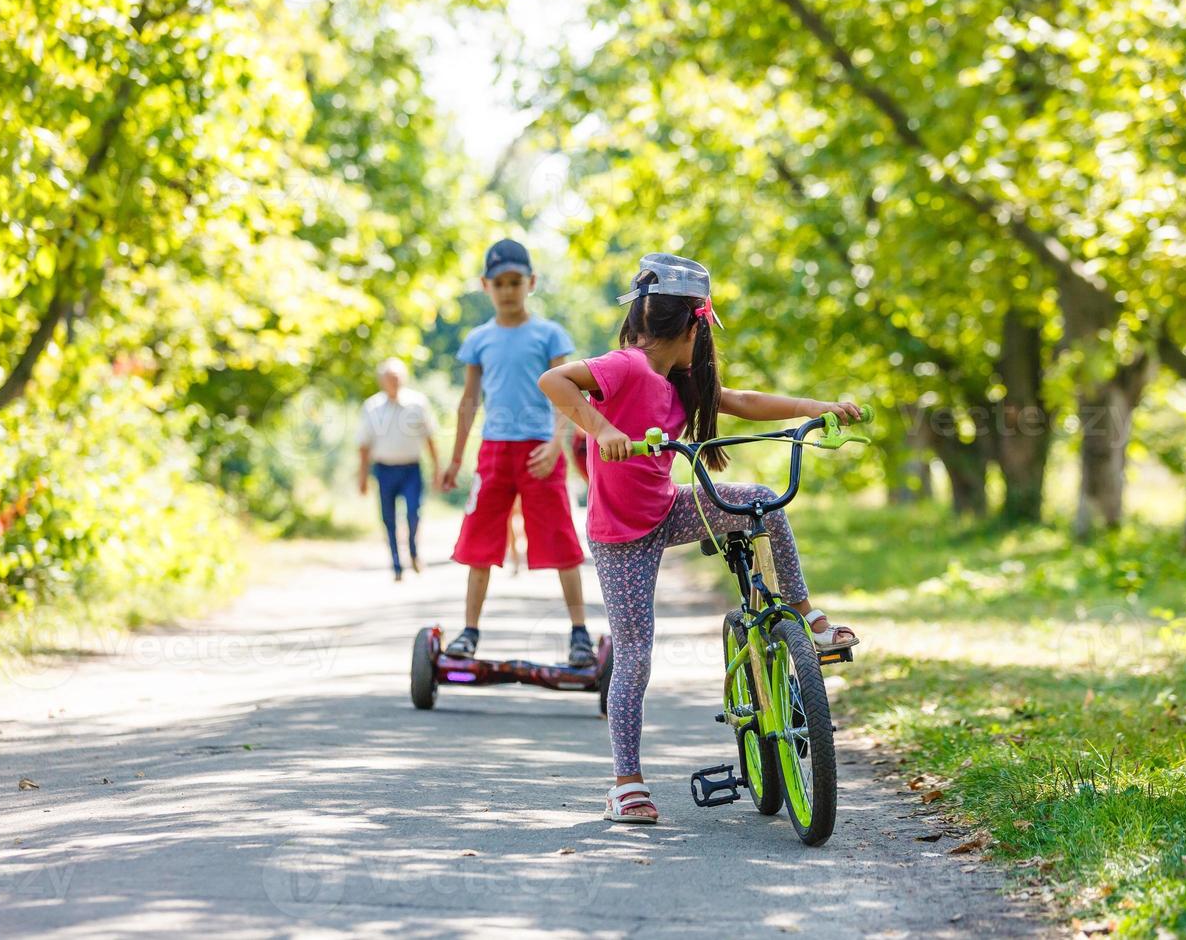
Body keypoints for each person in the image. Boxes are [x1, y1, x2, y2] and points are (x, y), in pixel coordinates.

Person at [538, 252, 861, 825]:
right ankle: (626, 782)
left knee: (760, 499)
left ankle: (804, 615)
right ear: (693, 324)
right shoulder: (626, 367)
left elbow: (741, 402)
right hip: (620, 536)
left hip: (667, 510)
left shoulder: (680, 381)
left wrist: (817, 407)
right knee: (635, 652)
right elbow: (554, 380)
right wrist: (603, 428)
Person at [438, 239, 593, 665]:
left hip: (540, 453)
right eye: (499, 283)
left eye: (515, 282)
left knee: (562, 540)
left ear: (531, 282)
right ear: (486, 285)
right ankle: (469, 631)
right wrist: (454, 461)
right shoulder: (478, 340)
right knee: (479, 540)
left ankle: (579, 632)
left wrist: (554, 442)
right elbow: (468, 402)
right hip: (494, 452)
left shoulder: (549, 334)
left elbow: (570, 395)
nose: (508, 290)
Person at [358, 358, 440, 582]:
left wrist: (437, 469)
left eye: (397, 378)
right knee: (388, 518)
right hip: (384, 469)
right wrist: (362, 477)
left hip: (411, 468)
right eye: (389, 378)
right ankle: (396, 564)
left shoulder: (417, 403)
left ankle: (413, 551)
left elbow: (429, 437)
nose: (393, 382)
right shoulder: (372, 407)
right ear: (382, 381)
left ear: (403, 379)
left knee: (414, 512)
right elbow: (364, 446)